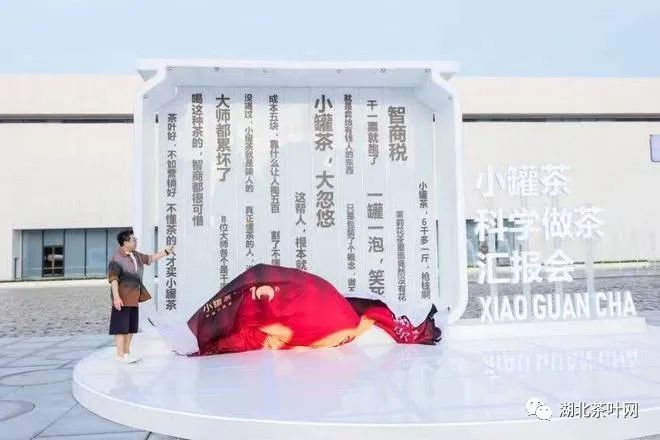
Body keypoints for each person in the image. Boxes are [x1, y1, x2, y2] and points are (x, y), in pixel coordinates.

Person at [107, 229, 173, 363]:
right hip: (122, 298)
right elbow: (113, 280)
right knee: (121, 328)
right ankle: (120, 355)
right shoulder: (116, 259)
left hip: (134, 297)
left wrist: (165, 252)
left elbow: (150, 258)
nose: (135, 241)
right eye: (133, 240)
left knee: (130, 327)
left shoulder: (136, 255)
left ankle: (126, 353)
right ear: (125, 243)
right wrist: (116, 298)